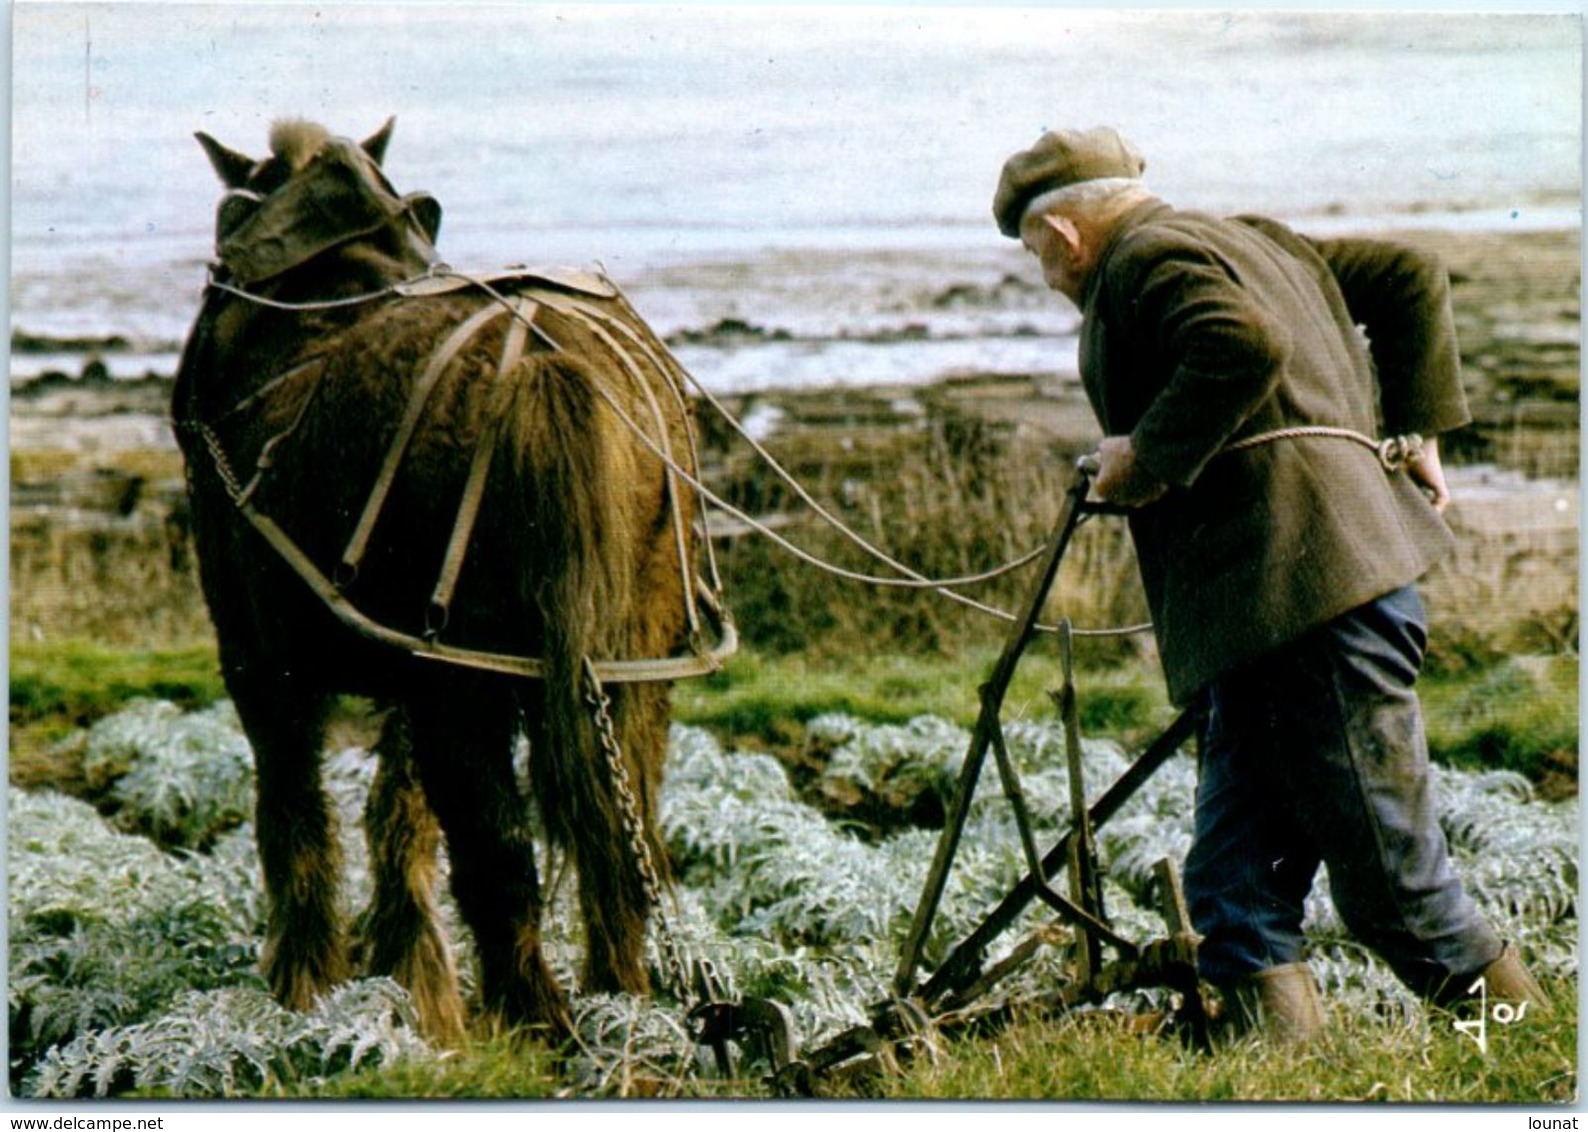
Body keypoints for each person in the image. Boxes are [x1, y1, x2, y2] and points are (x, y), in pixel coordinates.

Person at [992, 126, 1549, 1041]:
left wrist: (1148, 459)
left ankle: (1531, 1061)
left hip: (1315, 607)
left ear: (1061, 237)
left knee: (1393, 892)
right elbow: (1408, 275)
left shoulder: (1144, 260)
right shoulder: (1256, 240)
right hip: (1276, 614)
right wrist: (1417, 429)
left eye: (1037, 259)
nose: (1048, 281)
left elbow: (1240, 342)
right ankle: (1275, 1075)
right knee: (1235, 897)